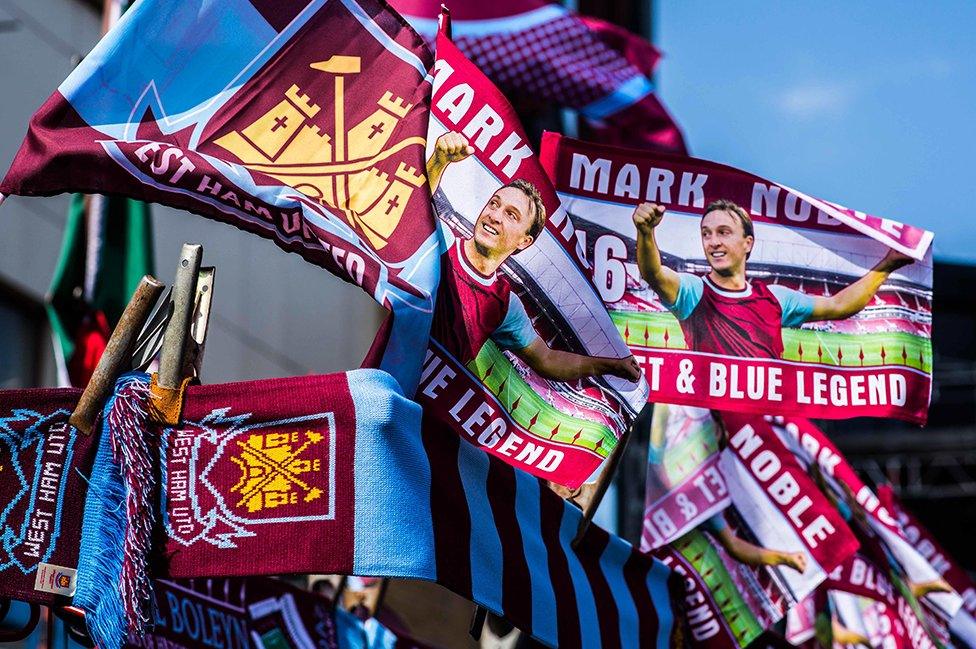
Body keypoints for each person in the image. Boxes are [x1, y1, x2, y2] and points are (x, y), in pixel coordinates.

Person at [427, 131, 640, 383]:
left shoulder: (505, 304)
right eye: (494, 204)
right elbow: (408, 214)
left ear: (524, 241)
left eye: (511, 215)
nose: (494, 215)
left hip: (427, 410)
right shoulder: (442, 242)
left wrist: (610, 366)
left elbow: (546, 360)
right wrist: (439, 161)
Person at [632, 199, 913, 359]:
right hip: (711, 423)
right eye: (706, 233)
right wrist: (646, 232)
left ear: (748, 243)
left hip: (760, 422)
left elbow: (839, 306)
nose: (713, 242)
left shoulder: (777, 298)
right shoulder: (694, 291)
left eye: (723, 232)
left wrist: (887, 265)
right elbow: (653, 273)